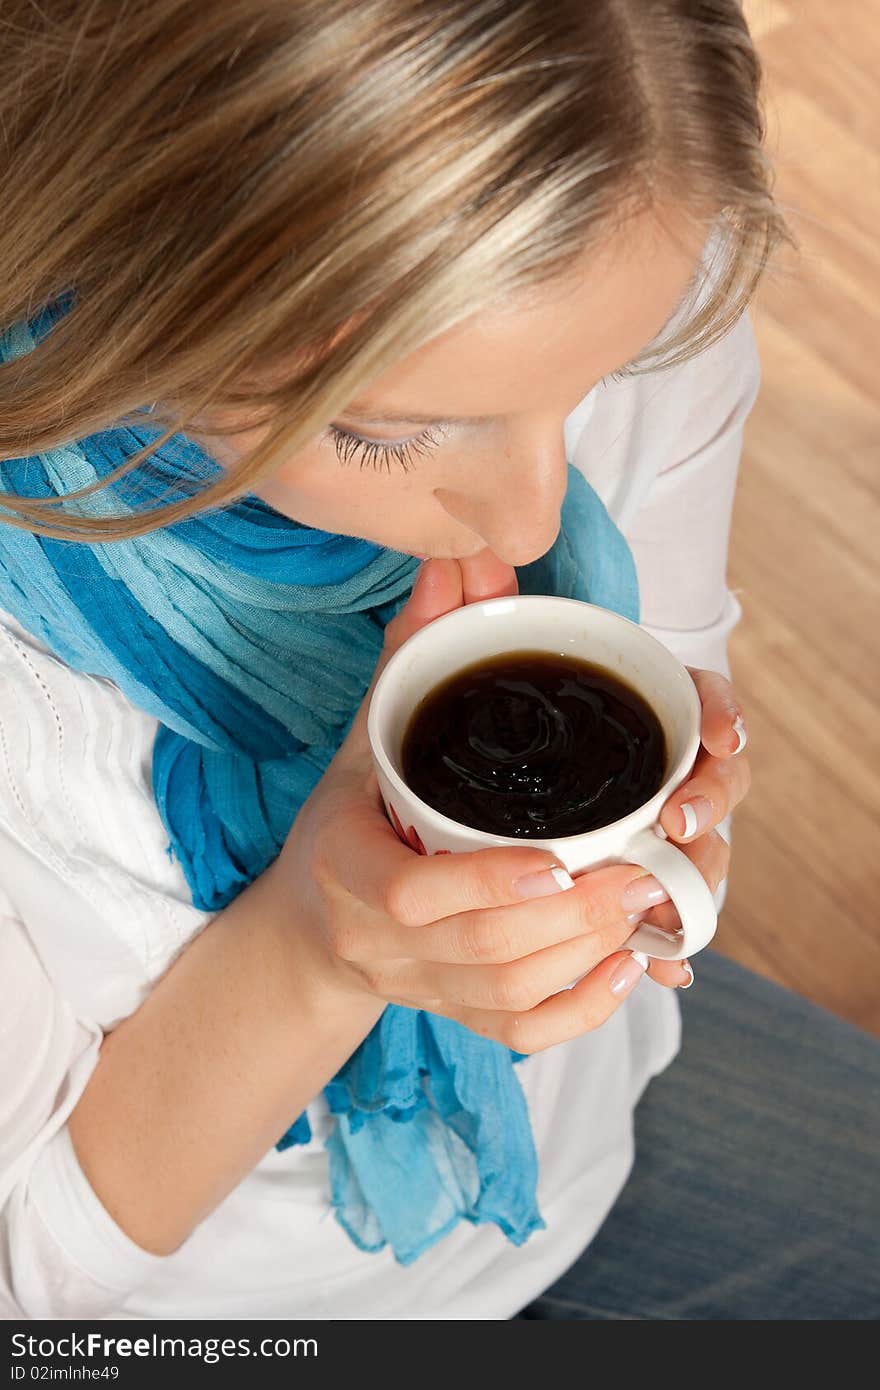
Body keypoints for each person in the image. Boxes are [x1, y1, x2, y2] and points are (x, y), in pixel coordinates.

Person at [0, 0, 875, 1321]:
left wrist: (663, 836)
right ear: (134, 269)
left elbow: (680, 667)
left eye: (595, 379)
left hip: (588, 1143)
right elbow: (30, 1278)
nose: (536, 521)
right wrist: (318, 946)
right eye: (388, 432)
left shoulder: (641, 244)